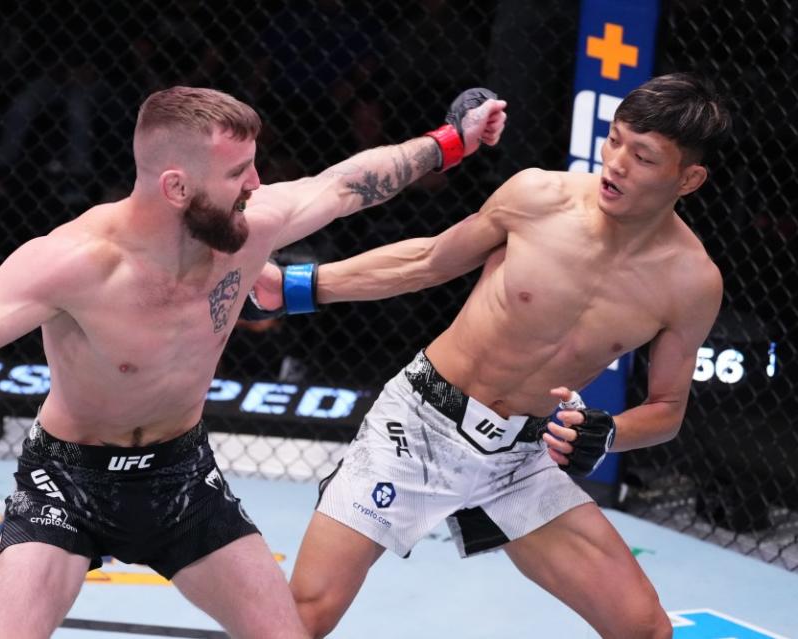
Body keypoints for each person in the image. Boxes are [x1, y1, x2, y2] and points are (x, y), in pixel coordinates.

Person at [0, 85, 507, 638]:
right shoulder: (76, 262)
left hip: (179, 475)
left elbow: (345, 183)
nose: (258, 184)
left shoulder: (247, 230)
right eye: (238, 171)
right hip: (66, 480)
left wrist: (453, 140)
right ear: (177, 186)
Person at [247, 73, 730, 638]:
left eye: (643, 156)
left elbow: (668, 408)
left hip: (518, 459)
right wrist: (300, 286)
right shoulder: (538, 198)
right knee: (302, 618)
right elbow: (428, 261)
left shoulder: (691, 283)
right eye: (615, 139)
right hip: (417, 425)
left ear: (689, 178)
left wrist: (608, 433)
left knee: (646, 629)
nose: (617, 163)